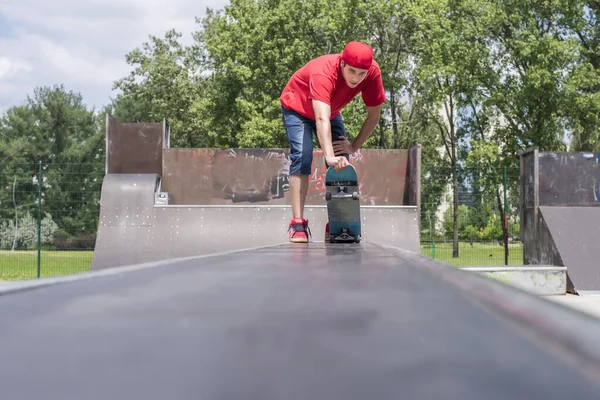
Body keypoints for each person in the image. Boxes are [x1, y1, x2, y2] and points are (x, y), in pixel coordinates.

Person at [279, 41, 387, 243]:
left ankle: (338, 223)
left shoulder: (372, 73)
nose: (356, 78)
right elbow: (321, 118)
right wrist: (328, 155)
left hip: (330, 110)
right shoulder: (324, 72)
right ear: (342, 64)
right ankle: (297, 224)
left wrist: (353, 147)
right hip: (297, 108)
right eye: (352, 71)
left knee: (343, 162)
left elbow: (374, 116)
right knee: (302, 156)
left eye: (361, 74)